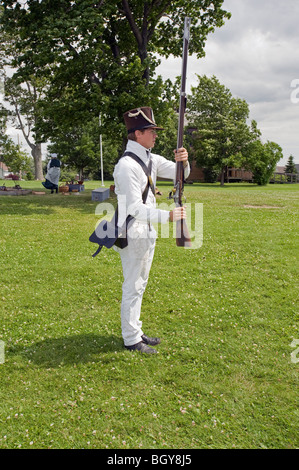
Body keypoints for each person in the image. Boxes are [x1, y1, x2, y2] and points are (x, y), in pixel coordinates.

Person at [113, 106, 190, 354]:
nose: (156, 135)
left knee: (140, 284)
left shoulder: (150, 158)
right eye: (151, 131)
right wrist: (167, 216)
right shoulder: (126, 166)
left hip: (146, 231)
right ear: (136, 134)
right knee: (133, 285)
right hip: (133, 231)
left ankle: (135, 330)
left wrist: (183, 160)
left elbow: (183, 174)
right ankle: (131, 339)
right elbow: (134, 207)